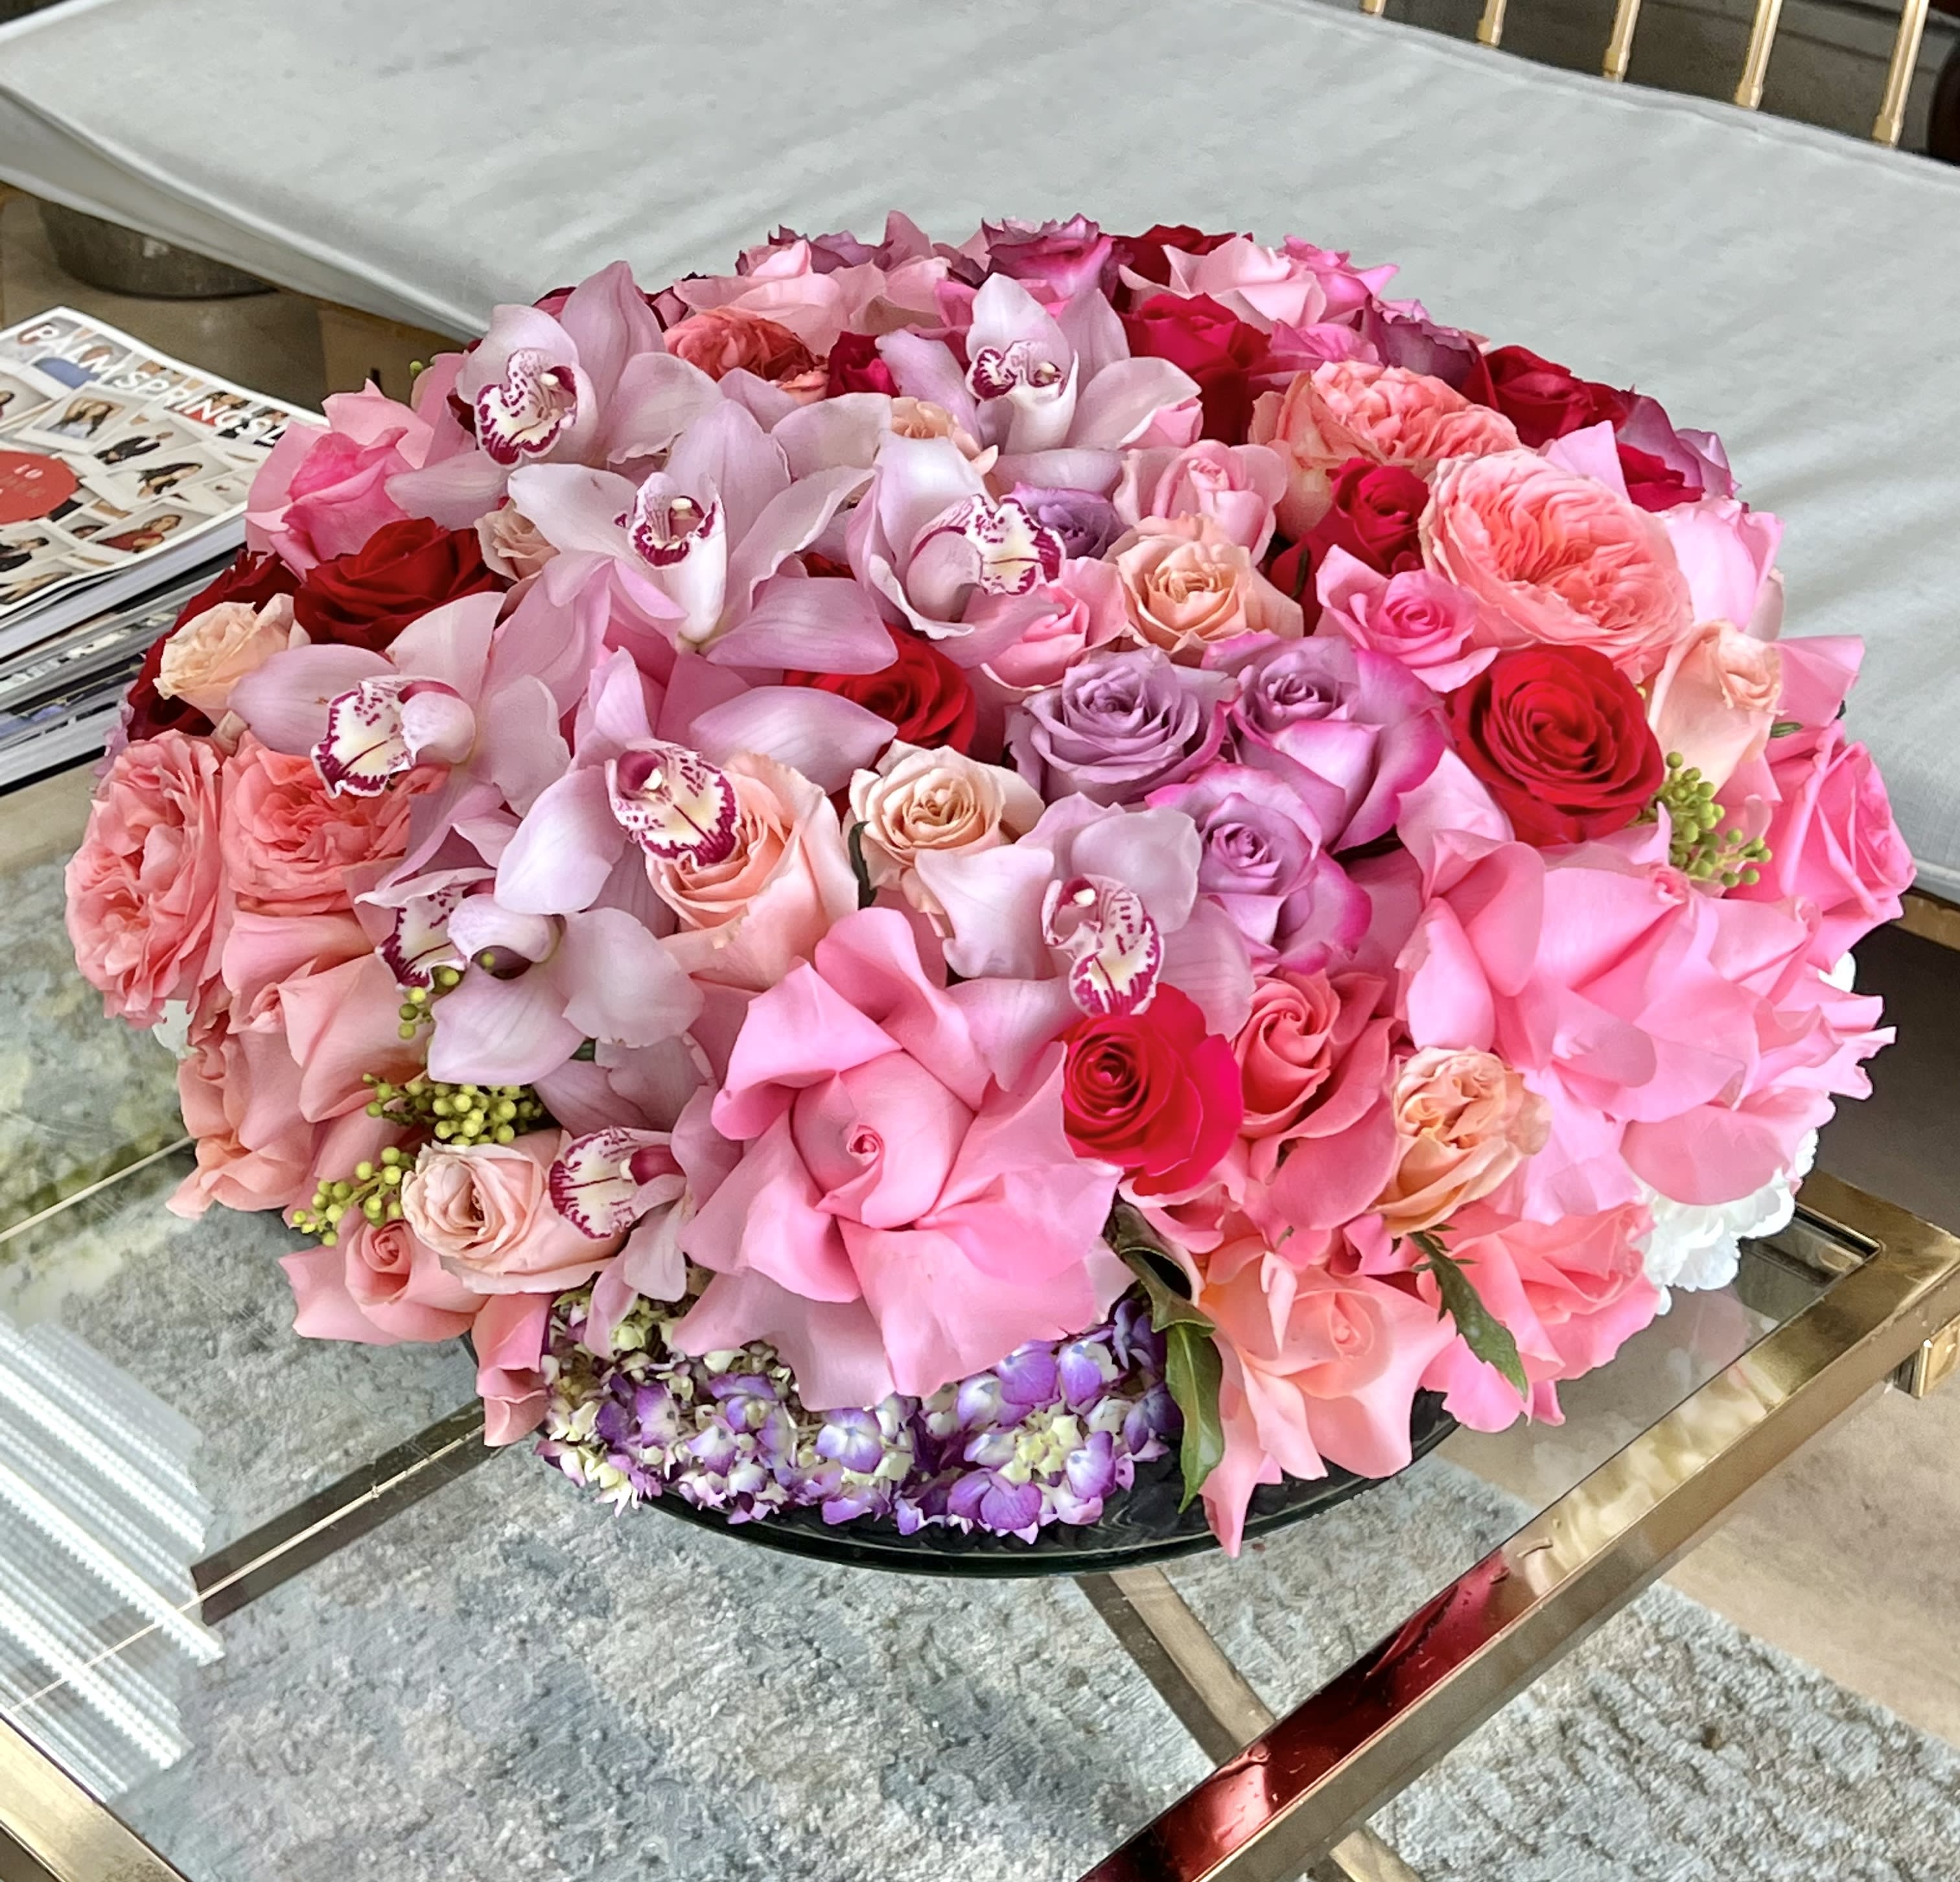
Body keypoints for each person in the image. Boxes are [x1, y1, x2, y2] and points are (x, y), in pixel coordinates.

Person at [98, 512, 182, 554]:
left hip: (109, 552)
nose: (161, 522)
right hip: (102, 544)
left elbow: (140, 554)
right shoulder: (142, 530)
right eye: (162, 519)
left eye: (167, 522)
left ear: (171, 526)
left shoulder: (158, 538)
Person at [45, 398, 118, 441]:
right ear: (90, 406)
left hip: (66, 446)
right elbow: (82, 399)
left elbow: (120, 408)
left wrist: (105, 403)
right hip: (49, 437)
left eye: (101, 410)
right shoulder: (74, 414)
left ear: (101, 413)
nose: (97, 409)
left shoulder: (93, 423)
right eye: (97, 406)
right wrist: (99, 402)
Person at [135, 461, 200, 498]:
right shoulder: (159, 489)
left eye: (147, 493)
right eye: (149, 495)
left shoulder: (150, 482)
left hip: (171, 472)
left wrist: (173, 477)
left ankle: (193, 469)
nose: (151, 493)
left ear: (144, 489)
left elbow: (170, 476)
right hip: (175, 474)